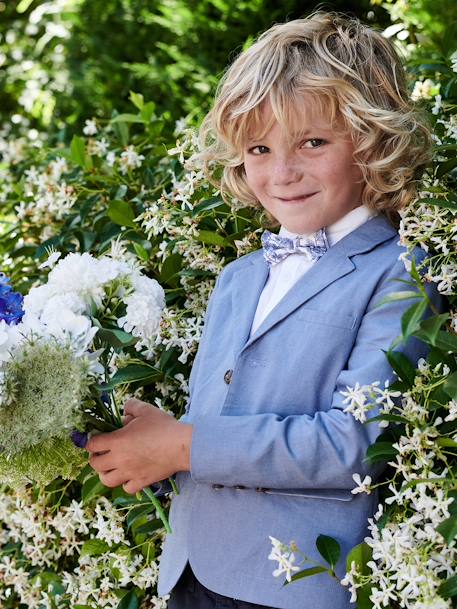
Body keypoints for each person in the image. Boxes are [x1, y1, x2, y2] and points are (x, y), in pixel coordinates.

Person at [87, 11, 442, 609]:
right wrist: (152, 440)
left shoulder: (400, 272)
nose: (282, 172)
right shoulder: (238, 277)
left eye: (312, 142)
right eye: (259, 148)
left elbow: (354, 443)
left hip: (295, 585)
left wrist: (183, 445)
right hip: (192, 573)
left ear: (372, 140)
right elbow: (224, 418)